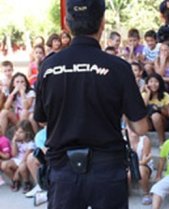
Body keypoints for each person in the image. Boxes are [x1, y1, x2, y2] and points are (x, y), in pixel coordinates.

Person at [34, 0, 149, 208]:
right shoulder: (119, 67)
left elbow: (42, 120)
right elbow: (141, 127)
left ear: (67, 24)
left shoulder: (48, 68)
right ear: (103, 22)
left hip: (63, 171)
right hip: (107, 171)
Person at [1, 120, 35, 193]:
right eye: (17, 131)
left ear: (27, 133)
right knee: (4, 165)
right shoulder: (18, 141)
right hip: (17, 159)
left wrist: (17, 172)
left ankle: (27, 183)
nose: (17, 134)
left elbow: (24, 159)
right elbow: (14, 154)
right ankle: (15, 181)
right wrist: (13, 141)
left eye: (21, 132)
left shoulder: (31, 143)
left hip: (25, 161)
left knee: (22, 167)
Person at [142, 73, 169, 145]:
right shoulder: (144, 94)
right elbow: (141, 109)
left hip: (161, 122)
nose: (153, 84)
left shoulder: (165, 95)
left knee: (155, 116)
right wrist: (148, 93)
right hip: (148, 123)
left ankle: (162, 142)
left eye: (156, 82)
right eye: (151, 82)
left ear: (160, 83)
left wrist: (158, 108)